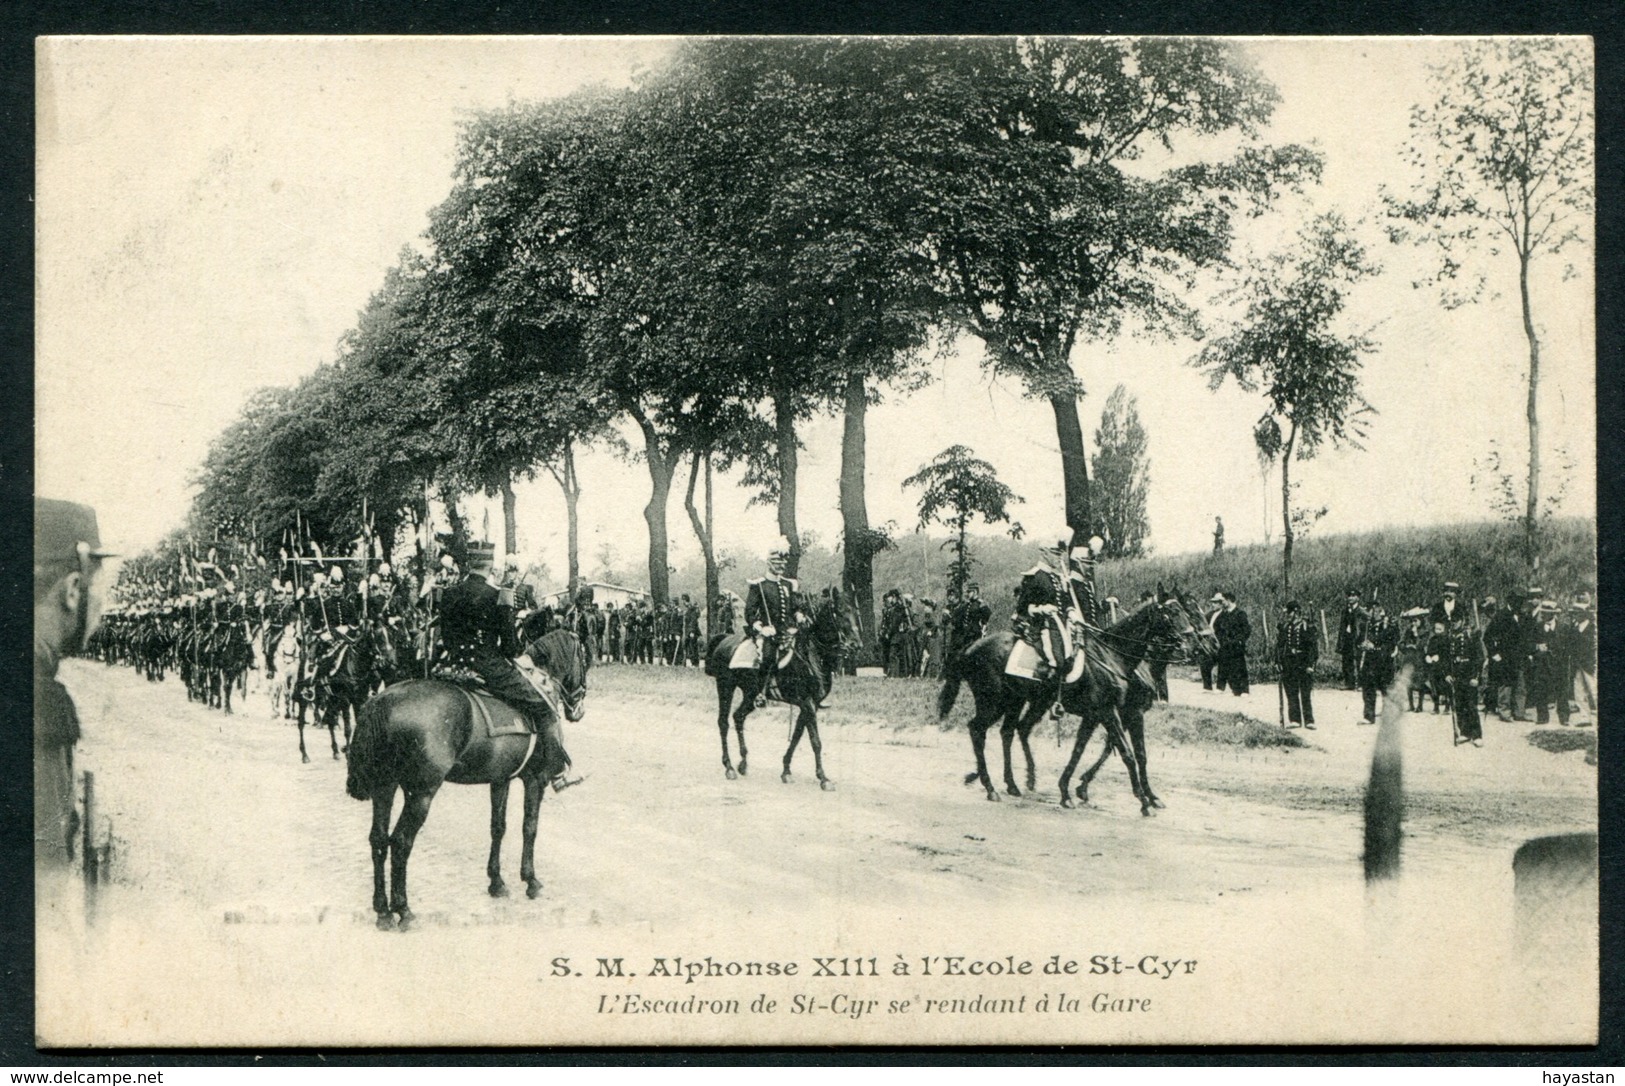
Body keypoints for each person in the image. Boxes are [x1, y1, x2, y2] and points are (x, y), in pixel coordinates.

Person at [438, 542, 576, 790]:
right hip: (488, 667)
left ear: (469, 563)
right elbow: (511, 648)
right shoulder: (498, 595)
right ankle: (557, 773)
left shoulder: (449, 593)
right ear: (490, 565)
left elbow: (447, 639)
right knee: (544, 706)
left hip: (452, 665)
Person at [35, 499, 117, 879]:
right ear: (73, 589)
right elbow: (43, 893)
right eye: (98, 583)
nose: (103, 601)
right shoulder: (40, 702)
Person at [744, 537, 806, 702]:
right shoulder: (759, 586)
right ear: (769, 563)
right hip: (769, 633)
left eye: (783, 562)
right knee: (768, 657)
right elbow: (750, 612)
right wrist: (760, 627)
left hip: (788, 631)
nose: (781, 565)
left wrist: (799, 614)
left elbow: (794, 607)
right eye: (777, 562)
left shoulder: (788, 584)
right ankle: (761, 692)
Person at [1356, 598, 1401, 725]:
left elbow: (1390, 645)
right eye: (1371, 610)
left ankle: (1389, 716)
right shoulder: (1365, 626)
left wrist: (1374, 647)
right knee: (1368, 689)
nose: (1374, 613)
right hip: (1369, 662)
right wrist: (1362, 645)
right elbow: (1358, 641)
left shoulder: (1389, 626)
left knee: (1386, 689)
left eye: (1377, 610)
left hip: (1384, 662)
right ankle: (1369, 716)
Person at [1274, 600, 1318, 727]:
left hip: (1303, 661)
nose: (1288, 615)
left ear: (1296, 612)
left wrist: (1311, 665)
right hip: (1289, 662)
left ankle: (1309, 720)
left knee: (1305, 693)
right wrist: (1277, 661)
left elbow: (1312, 647)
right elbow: (1279, 646)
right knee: (1291, 692)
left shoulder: (1306, 626)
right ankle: (1295, 719)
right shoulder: (1285, 627)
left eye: (1290, 612)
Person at [1444, 614, 1486, 746]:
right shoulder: (1450, 637)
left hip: (1469, 675)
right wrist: (1447, 674)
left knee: (1471, 705)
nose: (1454, 623)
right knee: (1459, 705)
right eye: (1452, 621)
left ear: (1462, 621)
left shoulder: (1471, 636)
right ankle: (1464, 732)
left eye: (1456, 621)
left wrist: (1476, 677)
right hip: (1457, 676)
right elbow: (1447, 658)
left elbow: (1479, 658)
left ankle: (1477, 735)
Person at [1212, 591, 1251, 696]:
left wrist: (1239, 640)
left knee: (1239, 667)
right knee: (1223, 665)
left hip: (1236, 646)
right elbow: (1216, 627)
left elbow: (1246, 630)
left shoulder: (1240, 614)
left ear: (1229, 600)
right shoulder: (1223, 614)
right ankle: (1221, 687)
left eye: (1223, 601)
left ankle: (1244, 690)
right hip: (1224, 645)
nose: (1222, 603)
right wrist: (1220, 639)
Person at [1335, 588, 1364, 690]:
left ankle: (1361, 683)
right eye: (1349, 596)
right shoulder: (1345, 611)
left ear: (1358, 598)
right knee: (1347, 660)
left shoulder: (1361, 611)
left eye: (1353, 596)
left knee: (1359, 660)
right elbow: (1342, 627)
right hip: (1347, 638)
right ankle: (1349, 683)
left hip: (1357, 639)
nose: (1350, 598)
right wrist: (1340, 641)